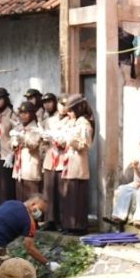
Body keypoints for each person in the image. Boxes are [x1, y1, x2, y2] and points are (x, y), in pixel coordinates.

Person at [60, 94, 93, 234]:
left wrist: (71, 140)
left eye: (72, 110)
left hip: (78, 162)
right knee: (68, 196)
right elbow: (63, 139)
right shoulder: (69, 122)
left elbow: (85, 145)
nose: (69, 113)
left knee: (77, 196)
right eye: (68, 111)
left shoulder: (84, 123)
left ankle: (79, 226)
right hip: (67, 162)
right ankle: (68, 224)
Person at [108, 137, 140, 226]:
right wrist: (136, 168)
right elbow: (139, 177)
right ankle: (119, 216)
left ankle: (139, 218)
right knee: (123, 188)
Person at [39, 93, 64, 230]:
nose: (47, 105)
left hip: (61, 158)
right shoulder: (46, 120)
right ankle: (50, 220)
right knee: (48, 191)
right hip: (49, 157)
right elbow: (43, 141)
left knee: (60, 191)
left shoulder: (63, 120)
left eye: (49, 102)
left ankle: (60, 220)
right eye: (44, 102)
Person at [11, 102, 44, 201]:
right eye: (21, 113)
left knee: (32, 200)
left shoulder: (36, 128)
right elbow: (12, 144)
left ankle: (35, 217)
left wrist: (23, 139)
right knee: (20, 199)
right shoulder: (18, 127)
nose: (23, 116)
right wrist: (14, 143)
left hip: (31, 167)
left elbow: (33, 145)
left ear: (32, 114)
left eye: (26, 113)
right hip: (19, 169)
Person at [0, 89, 16, 205]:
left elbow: (16, 135)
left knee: (7, 185)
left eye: (0, 98)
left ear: (5, 99)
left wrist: (12, 153)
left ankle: (7, 207)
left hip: (7, 155)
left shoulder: (11, 114)